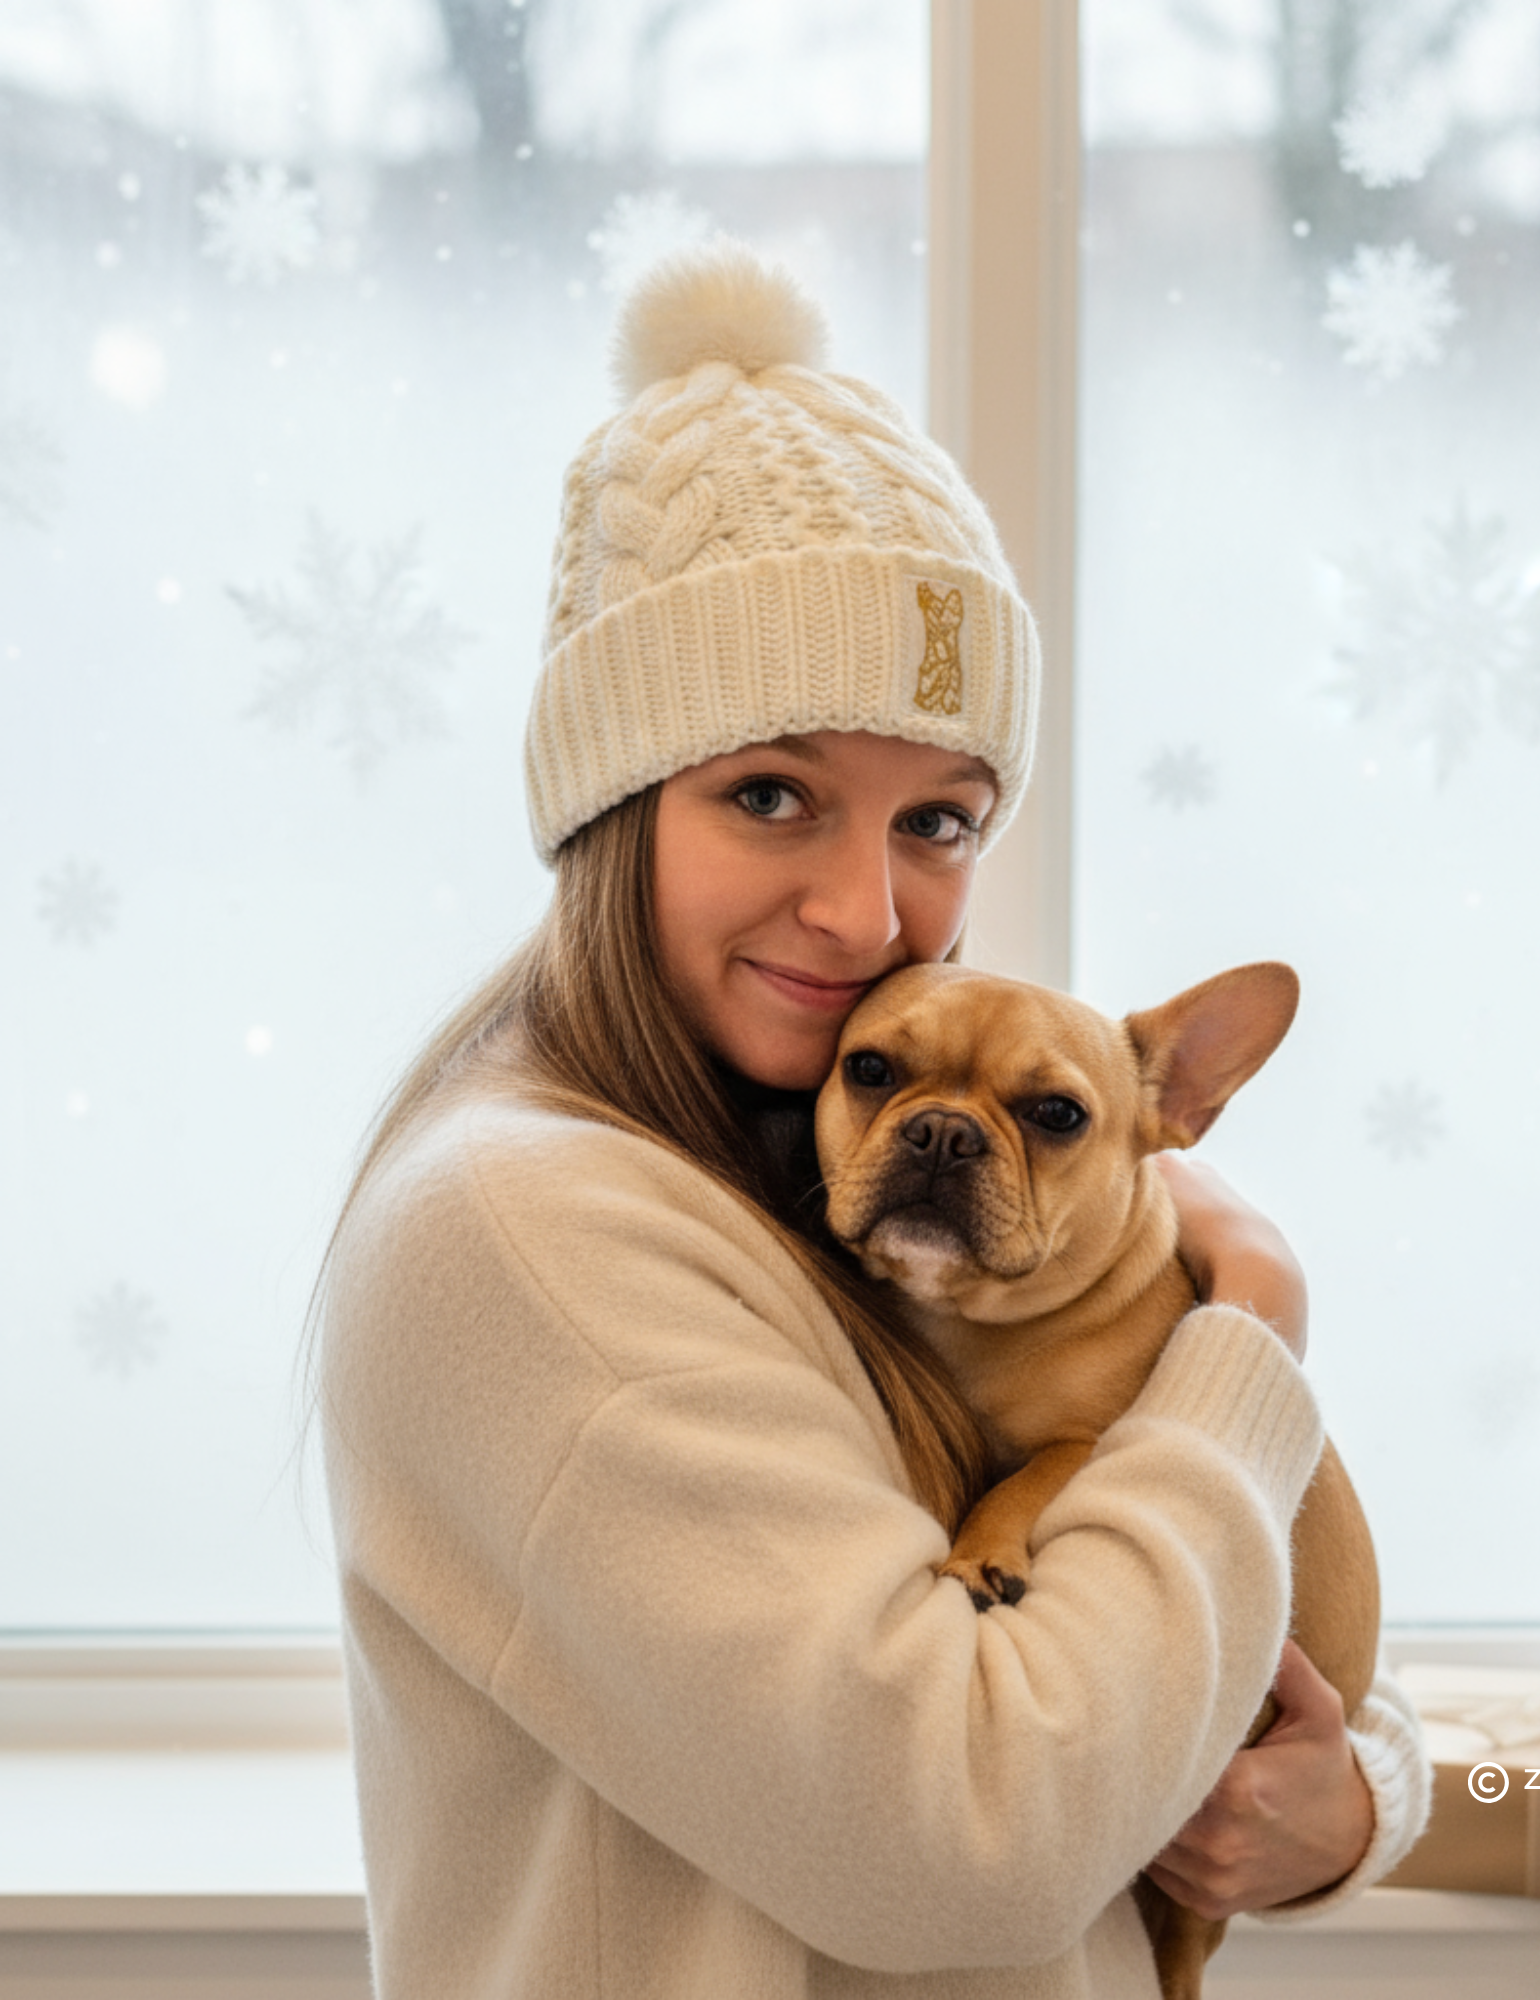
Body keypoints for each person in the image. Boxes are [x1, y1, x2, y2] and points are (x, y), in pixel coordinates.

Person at [318, 240, 1430, 1999]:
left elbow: (1177, 1620)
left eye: (941, 822)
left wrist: (1359, 1796)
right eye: (775, 795)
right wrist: (1257, 1334)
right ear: (612, 804)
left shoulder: (780, 1145)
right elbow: (976, 1833)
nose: (868, 915)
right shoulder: (526, 1236)